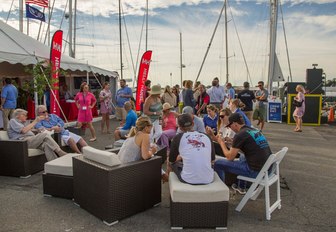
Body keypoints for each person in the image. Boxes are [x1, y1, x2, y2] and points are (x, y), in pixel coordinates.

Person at [214, 113, 272, 193]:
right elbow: (251, 147)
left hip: (256, 172)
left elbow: (230, 157)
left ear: (235, 124)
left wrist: (221, 143)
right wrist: (233, 142)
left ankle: (221, 191)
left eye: (230, 126)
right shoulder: (253, 130)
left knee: (218, 163)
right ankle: (242, 186)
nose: (230, 128)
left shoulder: (240, 135)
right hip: (268, 169)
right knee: (242, 156)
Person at [168, 113, 215, 184]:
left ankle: (171, 191)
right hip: (208, 178)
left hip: (188, 179)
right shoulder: (206, 136)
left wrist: (180, 157)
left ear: (180, 127)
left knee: (169, 162)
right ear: (193, 123)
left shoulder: (177, 138)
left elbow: (172, 160)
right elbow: (212, 160)